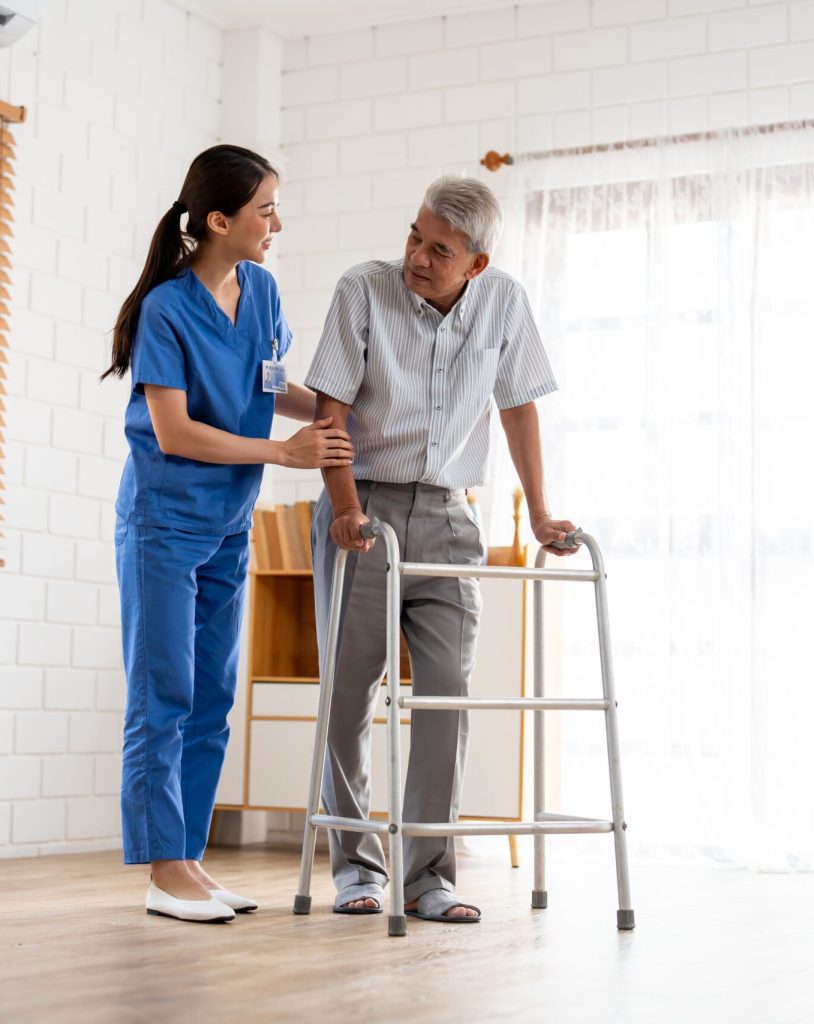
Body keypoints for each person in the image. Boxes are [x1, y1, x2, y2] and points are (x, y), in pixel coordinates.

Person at [305, 175, 578, 923]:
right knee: (349, 693)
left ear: (476, 263)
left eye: (439, 250)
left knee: (448, 693)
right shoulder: (363, 290)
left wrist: (541, 514)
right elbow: (329, 409)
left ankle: (429, 877)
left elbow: (517, 407)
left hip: (452, 516)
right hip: (361, 505)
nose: (417, 257)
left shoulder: (505, 302)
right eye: (414, 237)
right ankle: (356, 868)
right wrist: (345, 508)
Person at [103, 144, 353, 924]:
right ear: (219, 220)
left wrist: (340, 411)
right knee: (163, 693)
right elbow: (174, 433)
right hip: (164, 522)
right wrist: (283, 452)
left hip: (227, 525)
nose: (276, 222)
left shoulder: (264, 291)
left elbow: (267, 382)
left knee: (212, 695)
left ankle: (191, 862)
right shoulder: (167, 309)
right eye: (264, 209)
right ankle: (162, 869)